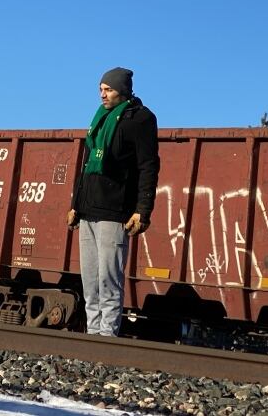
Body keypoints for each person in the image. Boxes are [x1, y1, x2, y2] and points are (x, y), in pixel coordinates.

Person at [67, 67, 160, 337]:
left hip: (115, 211)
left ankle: (107, 338)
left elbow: (148, 166)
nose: (102, 95)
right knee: (90, 280)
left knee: (108, 279)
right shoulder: (99, 119)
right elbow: (86, 166)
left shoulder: (140, 119)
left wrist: (142, 210)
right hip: (88, 210)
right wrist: (75, 204)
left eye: (108, 89)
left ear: (123, 89)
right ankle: (93, 334)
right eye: (100, 90)